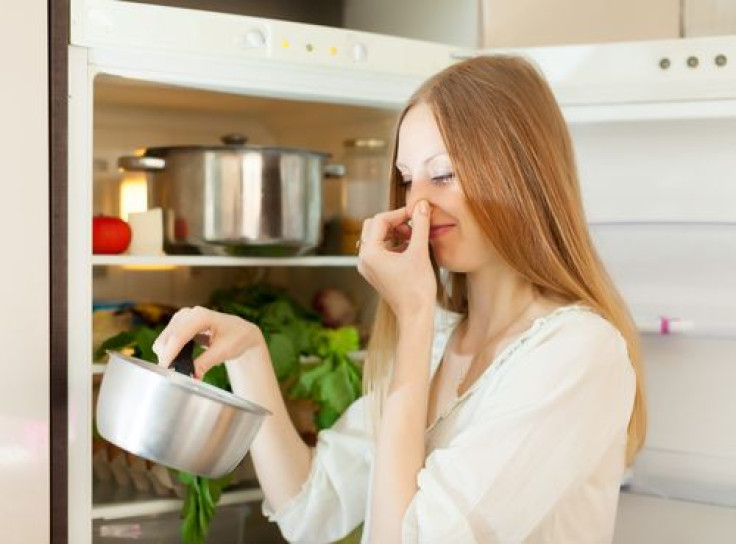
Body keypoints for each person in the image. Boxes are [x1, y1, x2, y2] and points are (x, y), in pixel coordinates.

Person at [153, 55, 647, 544]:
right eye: (408, 177)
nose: (417, 204)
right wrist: (248, 353)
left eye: (445, 174)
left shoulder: (577, 353)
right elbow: (309, 509)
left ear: (522, 174)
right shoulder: (438, 340)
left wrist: (412, 317)